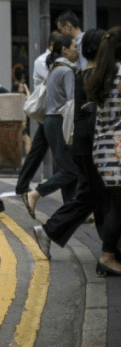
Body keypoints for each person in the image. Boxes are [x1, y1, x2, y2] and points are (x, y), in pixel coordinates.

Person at [33, 29, 105, 259]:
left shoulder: (77, 73)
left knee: (87, 196)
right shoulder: (90, 75)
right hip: (92, 144)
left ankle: (48, 232)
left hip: (82, 142)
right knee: (99, 197)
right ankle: (109, 252)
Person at [24, 33, 81, 216]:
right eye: (74, 46)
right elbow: (72, 102)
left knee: (65, 167)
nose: (77, 50)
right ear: (64, 49)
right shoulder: (66, 71)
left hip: (50, 121)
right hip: (60, 121)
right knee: (70, 169)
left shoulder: (54, 69)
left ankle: (70, 210)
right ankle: (35, 193)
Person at [85, 27, 121, 276]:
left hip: (103, 149)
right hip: (118, 151)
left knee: (115, 205)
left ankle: (113, 253)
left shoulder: (102, 74)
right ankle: (107, 257)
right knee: (119, 207)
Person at [15, 30, 62, 195]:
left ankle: (22, 185)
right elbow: (55, 79)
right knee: (55, 150)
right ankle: (52, 185)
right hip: (48, 111)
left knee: (39, 150)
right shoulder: (42, 61)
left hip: (54, 111)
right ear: (51, 45)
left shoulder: (56, 60)